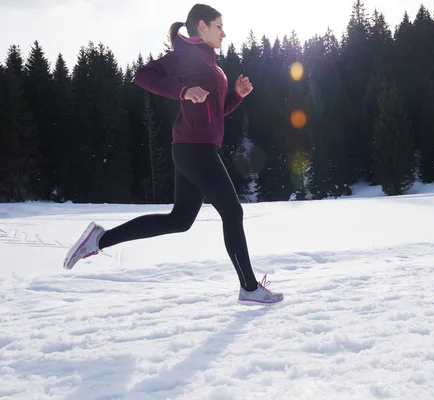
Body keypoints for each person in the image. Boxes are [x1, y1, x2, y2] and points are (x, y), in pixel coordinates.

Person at [63, 4, 283, 305]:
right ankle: (248, 287)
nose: (224, 33)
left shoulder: (210, 63)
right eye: (219, 26)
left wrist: (236, 96)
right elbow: (142, 75)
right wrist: (182, 91)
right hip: (195, 149)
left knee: (179, 220)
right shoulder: (185, 55)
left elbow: (214, 112)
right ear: (202, 27)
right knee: (233, 212)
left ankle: (99, 240)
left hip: (195, 147)